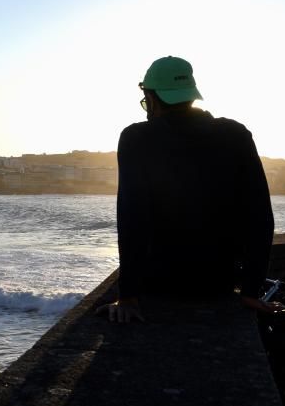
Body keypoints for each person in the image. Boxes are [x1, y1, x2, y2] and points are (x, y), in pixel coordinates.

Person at [99, 56, 275, 323]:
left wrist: (128, 295)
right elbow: (260, 216)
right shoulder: (236, 135)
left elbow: (133, 218)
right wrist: (251, 289)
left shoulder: (137, 139)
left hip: (159, 283)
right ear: (191, 95)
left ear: (153, 97)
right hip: (218, 284)